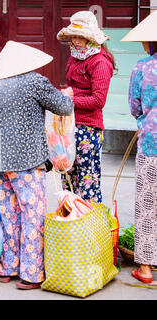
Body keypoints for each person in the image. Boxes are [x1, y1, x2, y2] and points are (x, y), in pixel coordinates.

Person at [0, 41, 74, 290]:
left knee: (8, 216)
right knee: (32, 215)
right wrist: (68, 95)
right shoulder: (35, 82)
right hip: (27, 161)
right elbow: (63, 107)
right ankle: (30, 274)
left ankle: (7, 268)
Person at [57, 11, 116, 203]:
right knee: (68, 178)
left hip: (88, 129)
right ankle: (70, 226)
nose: (76, 41)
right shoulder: (74, 58)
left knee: (87, 180)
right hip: (70, 126)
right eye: (73, 36)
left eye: (80, 37)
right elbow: (74, 89)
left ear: (90, 38)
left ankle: (89, 228)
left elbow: (98, 100)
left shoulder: (100, 62)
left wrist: (70, 99)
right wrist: (67, 93)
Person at [121, 11, 157, 284]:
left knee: (148, 206)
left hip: (150, 144)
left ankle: (145, 268)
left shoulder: (142, 68)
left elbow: (134, 107)